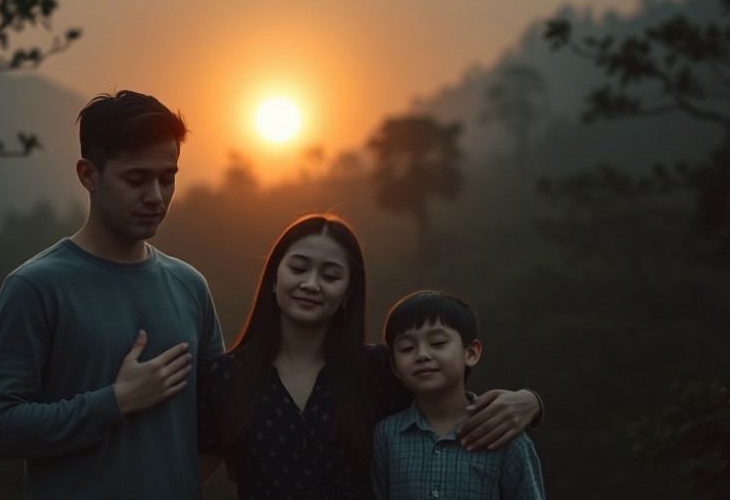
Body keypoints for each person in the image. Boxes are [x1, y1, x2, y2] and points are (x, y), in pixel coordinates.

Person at [0, 90, 225, 499]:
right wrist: (115, 403)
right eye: (136, 179)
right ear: (88, 175)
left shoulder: (189, 286)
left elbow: (220, 423)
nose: (156, 197)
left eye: (168, 178)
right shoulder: (36, 287)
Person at [197, 213, 542, 499]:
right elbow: (184, 476)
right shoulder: (226, 377)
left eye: (330, 275)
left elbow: (449, 398)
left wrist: (532, 402)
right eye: (298, 269)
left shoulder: (379, 371)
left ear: (348, 292)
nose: (311, 284)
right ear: (274, 279)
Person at [371, 290, 544, 499]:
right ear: (395, 367)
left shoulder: (504, 432)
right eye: (407, 348)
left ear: (471, 352)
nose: (422, 355)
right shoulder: (387, 436)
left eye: (437, 343)